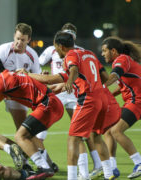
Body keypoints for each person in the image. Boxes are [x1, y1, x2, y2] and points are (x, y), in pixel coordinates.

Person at [25, 31, 115, 179]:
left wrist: (69, 82)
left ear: (60, 46)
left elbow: (73, 70)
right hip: (101, 98)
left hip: (87, 99)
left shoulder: (71, 56)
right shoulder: (89, 54)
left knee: (73, 138)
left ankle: (73, 177)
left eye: (56, 47)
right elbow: (104, 77)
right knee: (95, 136)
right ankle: (108, 173)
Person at [0, 58, 64, 179]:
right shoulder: (7, 79)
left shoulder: (2, 80)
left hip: (47, 105)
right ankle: (49, 165)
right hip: (52, 105)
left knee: (20, 136)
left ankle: (43, 167)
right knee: (29, 135)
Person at [39, 23, 104, 179]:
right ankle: (44, 165)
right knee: (75, 133)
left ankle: (91, 168)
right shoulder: (54, 50)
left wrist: (67, 82)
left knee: (80, 134)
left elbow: (74, 71)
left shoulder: (76, 52)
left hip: (74, 92)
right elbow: (40, 63)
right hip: (61, 93)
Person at [0, 23, 41, 130]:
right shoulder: (2, 50)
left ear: (28, 40)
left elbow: (37, 77)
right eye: (18, 38)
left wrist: (30, 76)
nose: (19, 42)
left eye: (23, 40)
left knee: (22, 128)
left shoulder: (32, 55)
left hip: (17, 90)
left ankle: (19, 146)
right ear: (14, 36)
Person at [102, 36, 141, 179]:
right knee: (108, 130)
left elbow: (115, 75)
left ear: (113, 51)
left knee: (116, 130)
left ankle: (138, 163)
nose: (102, 54)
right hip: (134, 100)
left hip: (137, 101)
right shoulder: (124, 60)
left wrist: (101, 86)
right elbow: (123, 85)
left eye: (104, 50)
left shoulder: (121, 60)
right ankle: (112, 167)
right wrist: (107, 94)